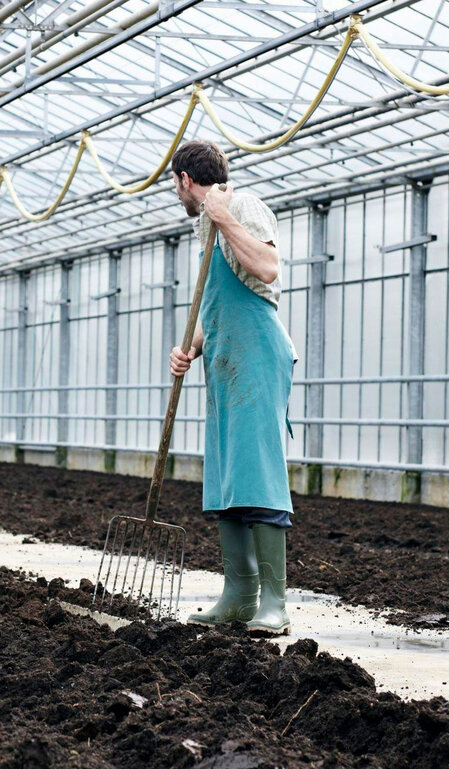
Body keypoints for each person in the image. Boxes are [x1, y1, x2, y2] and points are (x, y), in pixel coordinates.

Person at [168, 140, 296, 636]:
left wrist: (224, 217)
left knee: (259, 473)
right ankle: (238, 597)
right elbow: (217, 303)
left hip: (257, 354)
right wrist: (192, 346)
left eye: (175, 187)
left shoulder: (239, 206)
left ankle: (275, 604)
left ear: (184, 180)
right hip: (224, 360)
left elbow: (266, 269)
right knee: (226, 480)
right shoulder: (205, 224)